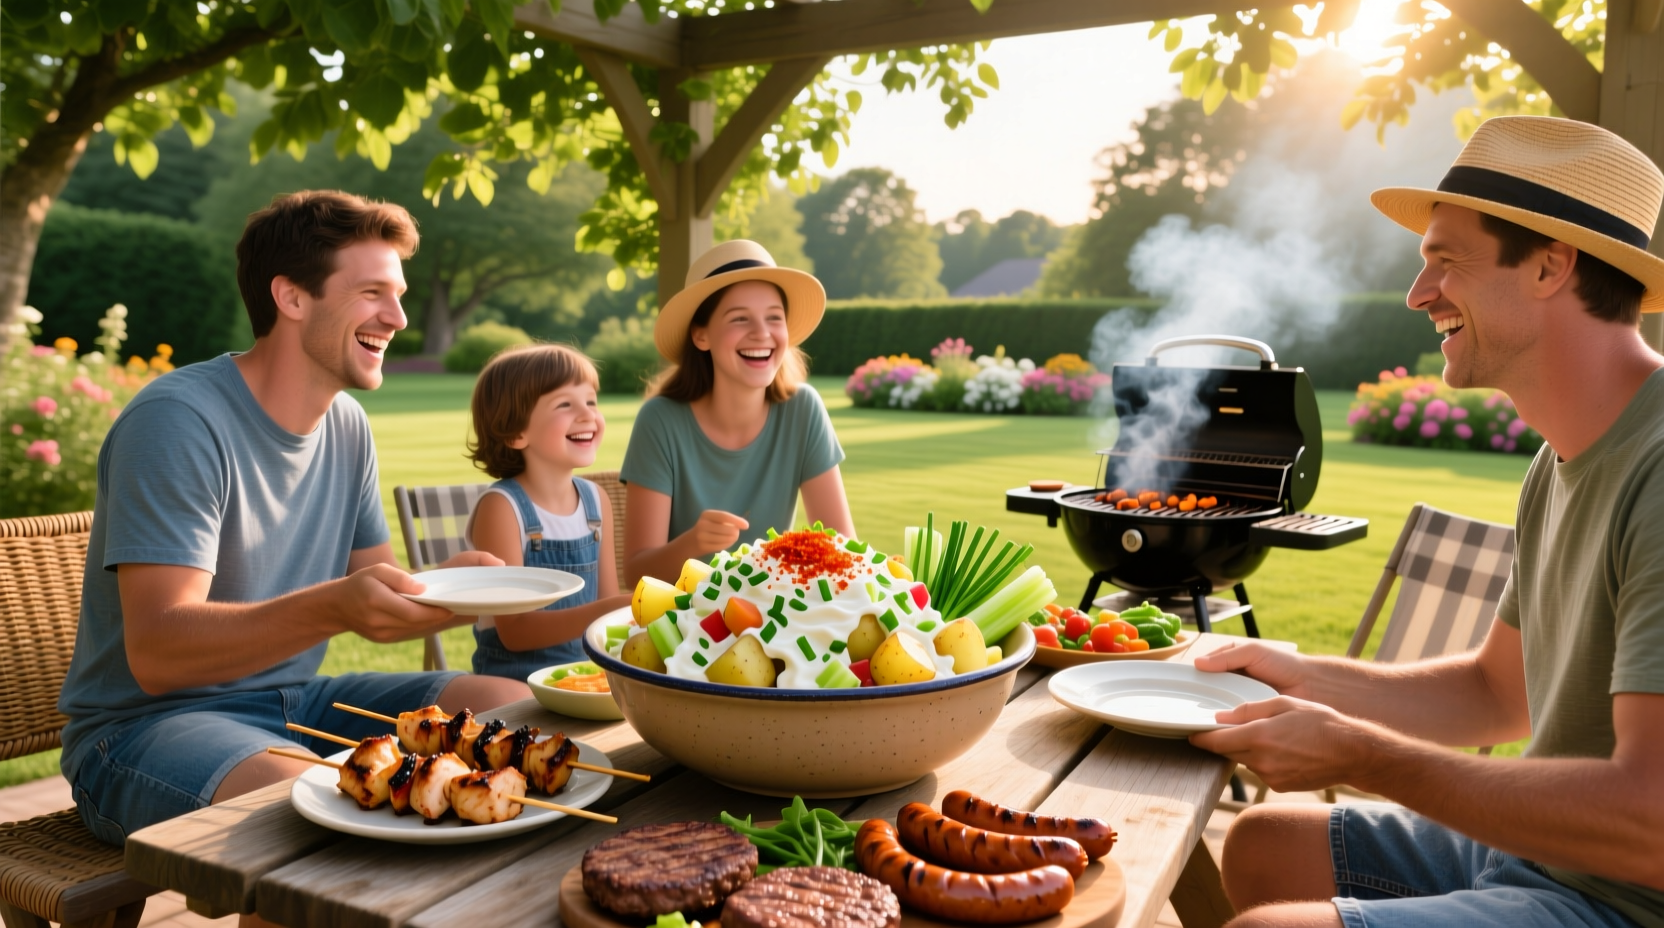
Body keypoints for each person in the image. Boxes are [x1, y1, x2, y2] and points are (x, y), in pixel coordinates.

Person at [1190, 116, 1664, 928]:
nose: (1418, 295)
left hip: (1628, 896)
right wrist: (1300, 675)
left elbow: (1650, 821)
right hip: (1548, 851)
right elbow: (1495, 693)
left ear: (1551, 265)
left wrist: (1362, 755)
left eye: (1446, 261)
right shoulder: (1559, 461)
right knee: (1261, 843)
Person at [56, 191, 528, 858]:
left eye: (397, 294)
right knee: (319, 813)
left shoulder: (347, 426)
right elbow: (158, 654)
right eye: (372, 293)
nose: (397, 317)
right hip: (142, 730)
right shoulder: (179, 422)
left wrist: (452, 588)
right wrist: (337, 606)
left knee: (515, 708)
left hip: (292, 701)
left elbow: (374, 592)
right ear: (292, 297)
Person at [621, 240, 854, 584]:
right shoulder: (660, 420)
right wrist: (692, 543)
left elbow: (843, 548)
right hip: (684, 623)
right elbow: (636, 571)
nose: (762, 333)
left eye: (774, 318)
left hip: (774, 617)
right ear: (701, 336)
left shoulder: (803, 409)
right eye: (740, 318)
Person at [464, 344, 631, 678]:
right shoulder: (502, 507)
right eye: (565, 404)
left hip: (585, 678)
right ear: (516, 433)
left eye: (591, 401)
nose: (587, 415)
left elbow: (607, 622)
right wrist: (610, 609)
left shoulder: (596, 502)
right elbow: (515, 631)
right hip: (514, 684)